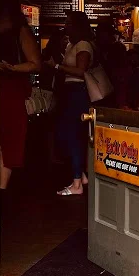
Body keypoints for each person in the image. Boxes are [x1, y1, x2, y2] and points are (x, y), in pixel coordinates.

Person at [0, 0, 41, 190]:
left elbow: (35, 63)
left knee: (10, 139)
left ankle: (1, 191)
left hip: (11, 88)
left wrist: (12, 68)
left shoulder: (20, 30)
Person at [50, 11, 94, 196]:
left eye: (69, 23)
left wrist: (57, 66)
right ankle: (81, 175)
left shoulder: (83, 45)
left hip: (78, 93)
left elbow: (80, 71)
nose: (65, 26)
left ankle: (77, 184)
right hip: (69, 93)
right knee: (65, 134)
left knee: (73, 135)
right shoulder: (71, 44)